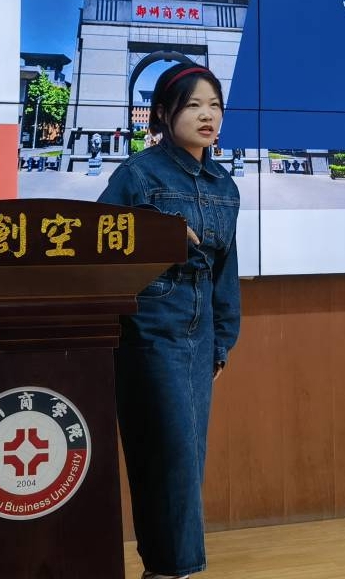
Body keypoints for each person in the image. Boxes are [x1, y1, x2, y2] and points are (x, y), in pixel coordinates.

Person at [99, 63, 241, 579]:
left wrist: (222, 341)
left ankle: (164, 567)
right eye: (194, 105)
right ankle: (175, 568)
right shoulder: (138, 175)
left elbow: (225, 272)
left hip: (199, 335)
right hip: (149, 330)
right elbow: (100, 239)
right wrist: (157, 235)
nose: (208, 116)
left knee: (186, 456)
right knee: (168, 452)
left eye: (215, 105)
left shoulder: (225, 185)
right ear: (163, 112)